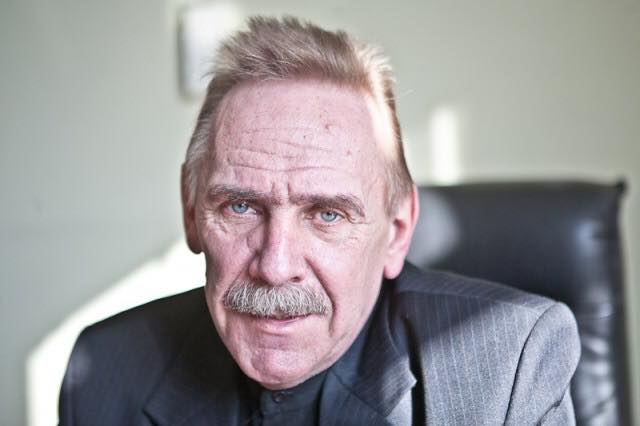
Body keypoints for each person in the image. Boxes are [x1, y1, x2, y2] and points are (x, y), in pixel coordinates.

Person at [58, 16, 580, 425]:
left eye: (327, 214)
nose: (275, 266)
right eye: (240, 207)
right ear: (191, 210)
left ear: (397, 232)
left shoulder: (505, 370)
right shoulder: (107, 370)